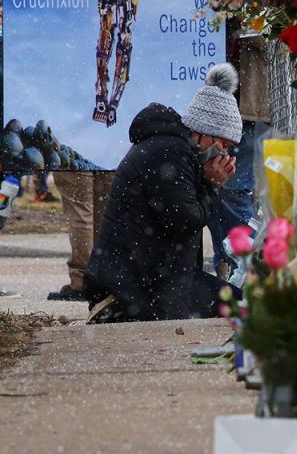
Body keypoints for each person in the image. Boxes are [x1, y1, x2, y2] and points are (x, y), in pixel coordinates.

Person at [84, 64, 241, 322]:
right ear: (204, 133)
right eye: (223, 144)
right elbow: (185, 221)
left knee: (240, 304)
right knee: (241, 310)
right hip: (134, 285)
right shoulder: (171, 152)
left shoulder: (176, 149)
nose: (224, 154)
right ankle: (114, 310)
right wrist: (213, 185)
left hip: (150, 276)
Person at [207, 24, 271, 279]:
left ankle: (251, 263)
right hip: (226, 99)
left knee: (231, 187)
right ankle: (235, 262)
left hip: (245, 102)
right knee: (217, 187)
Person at [49, 169, 113, 301]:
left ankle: (82, 280)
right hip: (109, 153)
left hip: (78, 154)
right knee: (105, 211)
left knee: (80, 210)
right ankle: (103, 277)